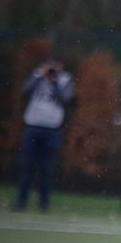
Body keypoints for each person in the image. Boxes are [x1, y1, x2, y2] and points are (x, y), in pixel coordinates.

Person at [14, 58, 74, 212]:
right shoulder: (37, 75)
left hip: (52, 130)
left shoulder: (65, 80)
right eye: (50, 66)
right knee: (27, 166)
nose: (52, 69)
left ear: (61, 67)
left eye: (55, 67)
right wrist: (40, 76)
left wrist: (54, 82)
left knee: (46, 168)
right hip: (32, 127)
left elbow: (65, 99)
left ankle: (43, 204)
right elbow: (24, 91)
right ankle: (21, 201)